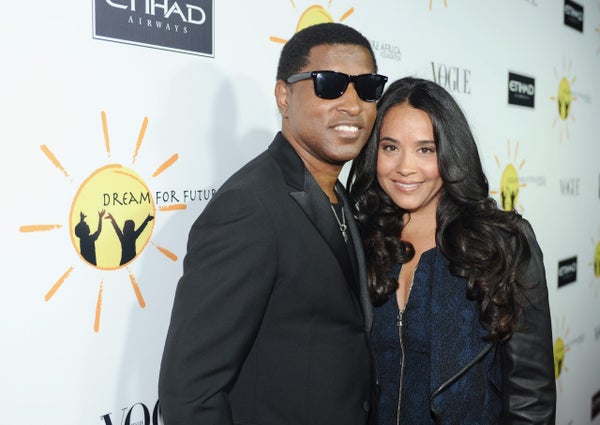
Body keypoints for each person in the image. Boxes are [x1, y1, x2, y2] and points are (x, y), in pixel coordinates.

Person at [158, 22, 388, 425]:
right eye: (330, 85)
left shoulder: (339, 193)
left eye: (367, 88)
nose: (353, 105)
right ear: (284, 96)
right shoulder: (248, 208)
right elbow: (190, 392)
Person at [347, 77, 556, 424]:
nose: (405, 167)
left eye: (425, 150)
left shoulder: (501, 244)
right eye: (390, 147)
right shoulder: (362, 240)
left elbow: (530, 396)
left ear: (450, 153)